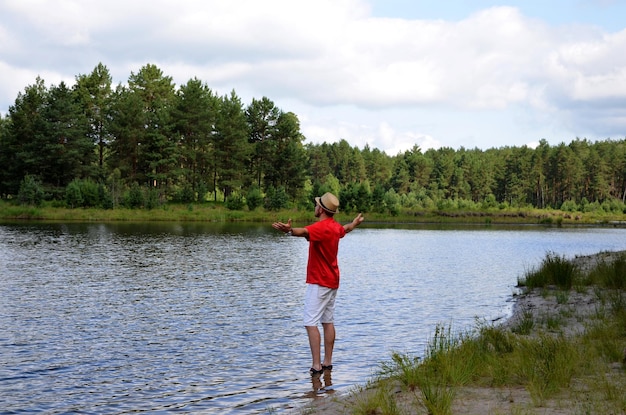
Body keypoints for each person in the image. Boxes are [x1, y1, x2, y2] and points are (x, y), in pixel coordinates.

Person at [272, 192, 364, 376]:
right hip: (332, 281)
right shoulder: (334, 227)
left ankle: (316, 365)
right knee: (327, 321)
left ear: (321, 209)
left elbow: (304, 232)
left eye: (316, 205)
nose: (315, 207)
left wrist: (289, 230)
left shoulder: (321, 228)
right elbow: (344, 229)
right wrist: (354, 223)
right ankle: (327, 362)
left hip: (319, 282)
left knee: (310, 322)